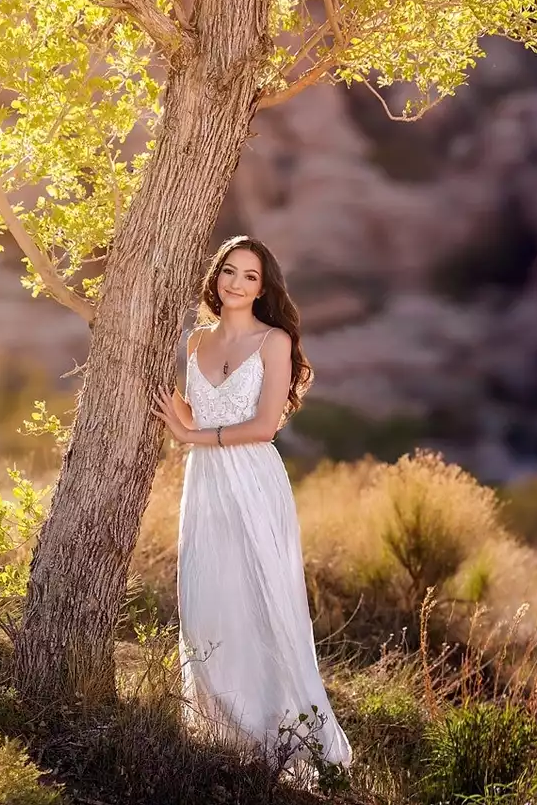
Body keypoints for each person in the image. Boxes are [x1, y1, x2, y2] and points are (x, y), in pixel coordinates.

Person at [151, 235, 352, 772]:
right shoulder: (194, 342)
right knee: (209, 597)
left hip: (254, 481)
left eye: (250, 277)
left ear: (264, 288)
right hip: (206, 484)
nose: (237, 284)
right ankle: (223, 731)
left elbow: (264, 426)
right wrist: (181, 421)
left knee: (262, 601)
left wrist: (191, 438)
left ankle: (279, 734)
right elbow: (199, 417)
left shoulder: (274, 342)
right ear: (215, 277)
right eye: (229, 272)